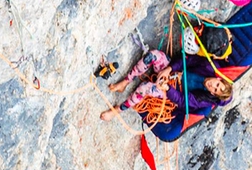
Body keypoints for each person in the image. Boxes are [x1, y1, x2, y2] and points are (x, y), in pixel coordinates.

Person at [99, 49, 233, 122]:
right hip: (172, 72)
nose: (212, 86)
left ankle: (118, 110)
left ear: (214, 94)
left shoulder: (205, 100)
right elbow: (187, 60)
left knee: (145, 88)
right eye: (217, 85)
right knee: (153, 55)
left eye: (215, 90)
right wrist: (169, 69)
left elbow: (181, 100)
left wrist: (167, 88)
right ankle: (125, 82)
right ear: (219, 79)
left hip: (171, 93)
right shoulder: (210, 66)